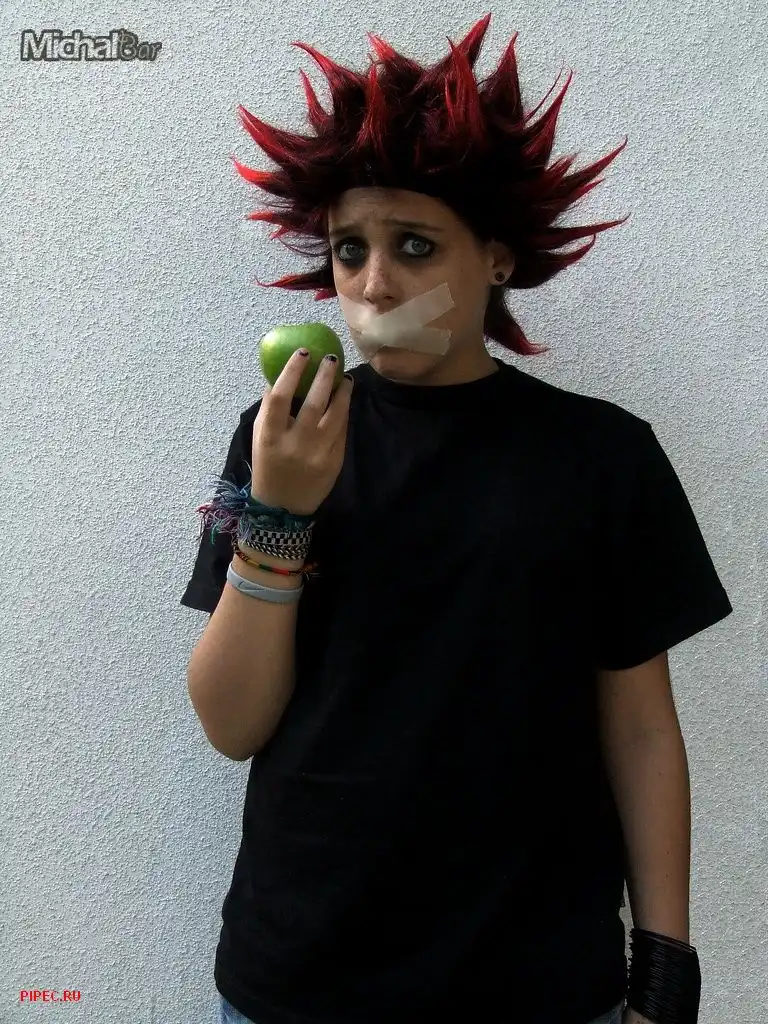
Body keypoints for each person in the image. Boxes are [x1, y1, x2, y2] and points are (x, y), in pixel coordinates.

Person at [180, 15, 733, 1024]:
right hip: (302, 981)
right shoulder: (280, 438)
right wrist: (279, 512)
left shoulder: (602, 456)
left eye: (415, 245)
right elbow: (231, 723)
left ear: (499, 258)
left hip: (541, 984)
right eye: (349, 249)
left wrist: (666, 971)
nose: (372, 284)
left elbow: (642, 729)